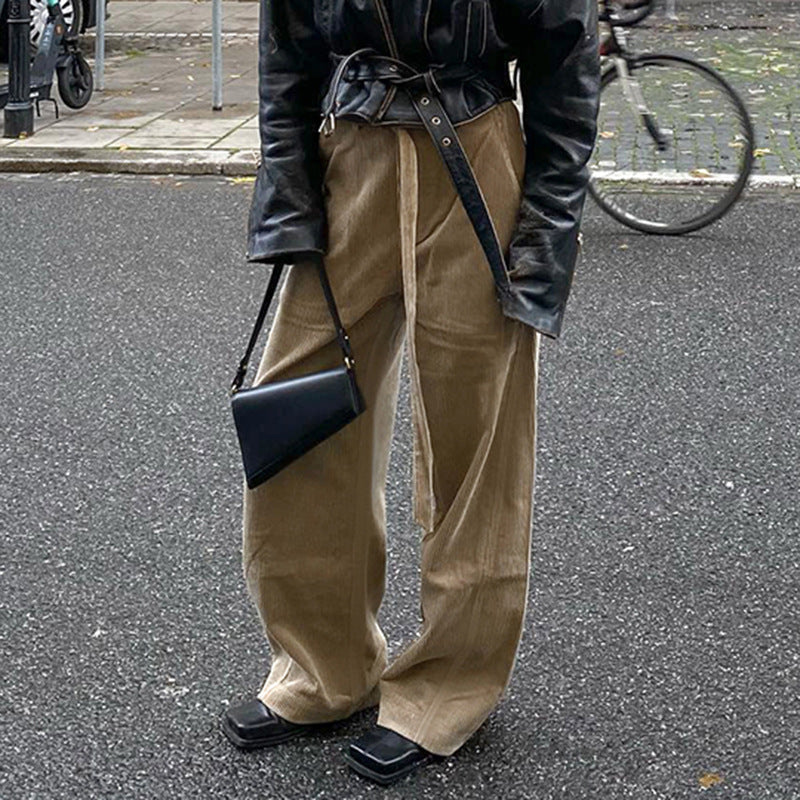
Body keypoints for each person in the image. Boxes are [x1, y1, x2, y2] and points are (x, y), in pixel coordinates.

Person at [222, 0, 600, 786]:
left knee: (474, 435)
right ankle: (323, 669)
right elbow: (287, 42)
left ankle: (447, 684)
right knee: (298, 417)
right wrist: (289, 189)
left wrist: (545, 232)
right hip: (348, 156)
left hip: (476, 153)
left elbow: (564, 55)